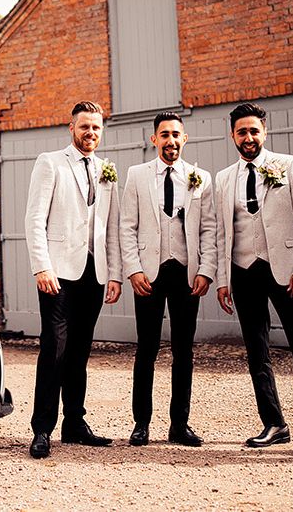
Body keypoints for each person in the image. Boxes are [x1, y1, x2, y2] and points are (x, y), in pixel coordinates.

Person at [215, 103, 293, 461]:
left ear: (265, 131)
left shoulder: (290, 165)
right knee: (257, 350)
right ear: (232, 135)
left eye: (254, 131)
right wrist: (222, 279)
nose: (248, 137)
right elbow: (220, 233)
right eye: (241, 132)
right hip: (243, 270)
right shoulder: (223, 178)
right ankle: (274, 423)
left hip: (285, 270)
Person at [24, 101, 122, 459]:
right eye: (84, 127)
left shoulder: (107, 169)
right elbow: (34, 219)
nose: (90, 133)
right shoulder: (50, 162)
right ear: (72, 128)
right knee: (55, 349)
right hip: (59, 274)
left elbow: (109, 227)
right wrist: (41, 267)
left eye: (96, 128)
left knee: (80, 351)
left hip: (93, 275)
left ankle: (75, 423)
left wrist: (113, 274)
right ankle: (42, 429)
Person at [120, 112, 216, 447]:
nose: (170, 140)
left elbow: (208, 229)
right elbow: (126, 226)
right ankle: (141, 423)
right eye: (164, 134)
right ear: (154, 139)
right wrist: (132, 269)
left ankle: (180, 424)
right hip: (148, 272)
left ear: (184, 138)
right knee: (145, 348)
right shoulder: (137, 175)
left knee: (183, 350)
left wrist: (206, 271)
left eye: (176, 134)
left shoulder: (199, 178)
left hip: (187, 273)